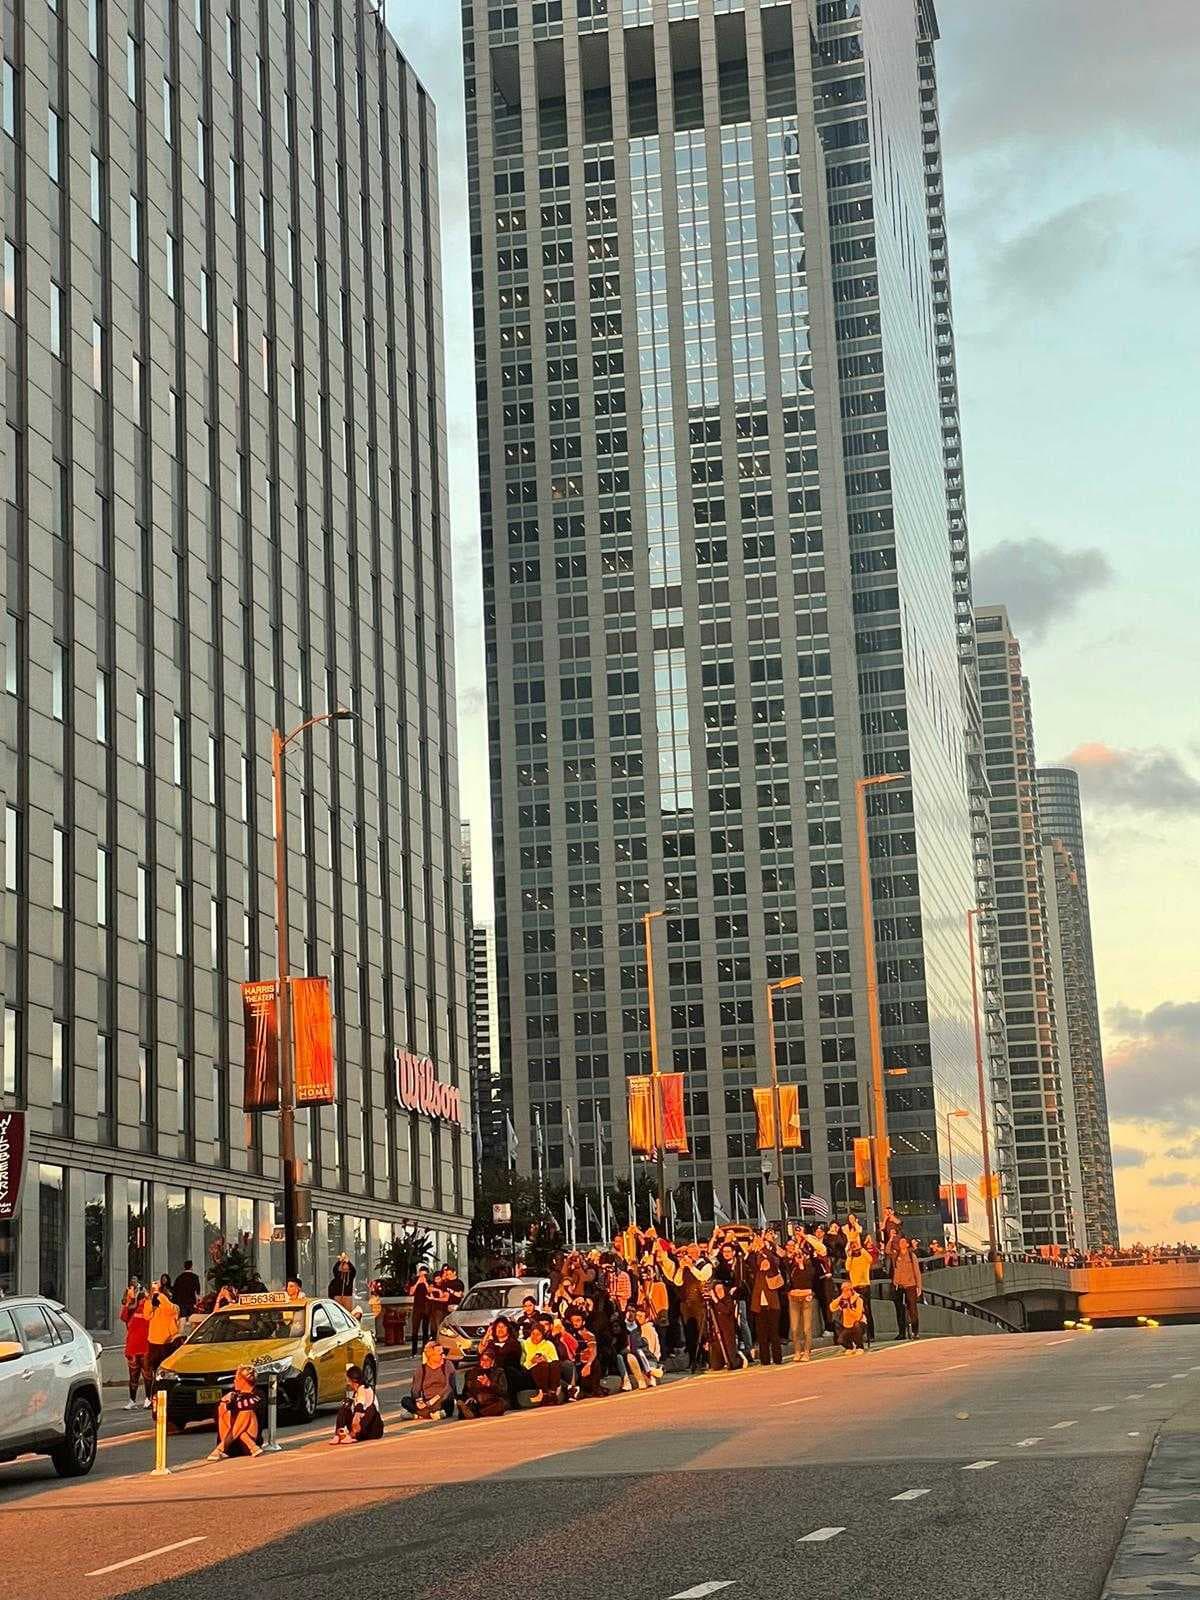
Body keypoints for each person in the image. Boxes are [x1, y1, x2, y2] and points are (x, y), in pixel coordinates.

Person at [208, 1366, 264, 1459]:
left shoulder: (258, 1395)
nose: (234, 1381)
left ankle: (220, 1448)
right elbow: (217, 1418)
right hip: (231, 1446)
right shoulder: (232, 1395)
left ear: (243, 1381)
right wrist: (224, 1401)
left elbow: (250, 1406)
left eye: (236, 1378)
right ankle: (252, 1446)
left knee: (247, 1412)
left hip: (248, 1442)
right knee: (224, 1411)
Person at [401, 1342, 457, 1421]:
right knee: (405, 1400)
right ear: (431, 1355)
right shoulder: (421, 1369)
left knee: (448, 1399)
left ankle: (418, 1414)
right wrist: (419, 1401)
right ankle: (431, 1414)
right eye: (440, 1353)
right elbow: (415, 1389)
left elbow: (449, 1387)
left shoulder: (447, 1365)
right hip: (426, 1401)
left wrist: (432, 1401)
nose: (443, 1356)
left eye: (443, 1353)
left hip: (441, 1400)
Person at [145, 1280, 181, 1394]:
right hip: (159, 1341)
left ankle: (161, 1392)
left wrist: (157, 1297)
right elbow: (147, 1315)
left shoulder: (168, 1304)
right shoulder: (153, 1302)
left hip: (164, 1341)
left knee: (162, 1370)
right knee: (158, 1370)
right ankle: (156, 1393)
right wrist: (151, 1299)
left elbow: (172, 1311)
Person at [332, 1363, 383, 1443]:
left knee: (371, 1409)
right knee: (345, 1405)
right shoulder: (356, 1391)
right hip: (360, 1427)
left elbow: (360, 1404)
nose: (348, 1383)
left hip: (372, 1429)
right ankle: (338, 1434)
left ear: (352, 1380)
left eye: (348, 1380)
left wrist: (357, 1416)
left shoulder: (364, 1389)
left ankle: (353, 1435)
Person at [120, 1282, 152, 1410]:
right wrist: (129, 1301)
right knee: (133, 1376)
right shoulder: (131, 1310)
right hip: (133, 1347)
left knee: (147, 1375)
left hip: (145, 1347)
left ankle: (148, 1398)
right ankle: (132, 1400)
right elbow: (123, 1317)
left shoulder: (148, 1308)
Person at [750, 1251, 785, 1365]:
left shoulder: (773, 1272)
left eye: (766, 1263)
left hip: (773, 1307)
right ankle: (764, 1360)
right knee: (762, 1335)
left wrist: (765, 1250)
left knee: (774, 1333)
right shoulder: (757, 1273)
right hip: (759, 1307)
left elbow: (774, 1261)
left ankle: (777, 1358)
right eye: (762, 1263)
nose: (764, 1264)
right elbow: (751, 1260)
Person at [785, 1239, 816, 1363]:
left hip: (806, 1296)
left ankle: (807, 1351)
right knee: (794, 1327)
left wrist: (802, 1264)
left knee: (807, 1328)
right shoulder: (791, 1266)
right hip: (793, 1296)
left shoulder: (809, 1265)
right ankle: (797, 1351)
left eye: (801, 1255)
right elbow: (788, 1274)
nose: (799, 1257)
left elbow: (809, 1279)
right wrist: (794, 1260)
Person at [458, 1347, 509, 1419]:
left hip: (491, 1401)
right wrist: (470, 1396)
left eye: (487, 1360)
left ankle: (474, 1414)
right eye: (482, 1360)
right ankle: (468, 1411)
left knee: (500, 1404)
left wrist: (489, 1384)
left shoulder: (499, 1372)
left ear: (492, 1362)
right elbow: (466, 1390)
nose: (483, 1362)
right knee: (468, 1404)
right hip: (476, 1401)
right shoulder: (471, 1372)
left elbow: (503, 1391)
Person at [521, 1317, 562, 1405]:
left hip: (548, 1371)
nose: (535, 1337)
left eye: (538, 1334)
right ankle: (545, 1393)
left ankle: (552, 1393)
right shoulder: (525, 1344)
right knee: (542, 1366)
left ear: (542, 1335)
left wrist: (546, 1359)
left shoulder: (548, 1344)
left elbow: (555, 1360)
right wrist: (532, 1361)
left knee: (553, 1364)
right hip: (531, 1371)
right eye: (533, 1334)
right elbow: (523, 1364)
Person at [891, 1235, 923, 1340]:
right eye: (900, 1242)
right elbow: (887, 1250)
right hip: (898, 1285)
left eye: (904, 1242)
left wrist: (919, 1286)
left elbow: (917, 1271)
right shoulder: (896, 1255)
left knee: (912, 1308)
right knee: (899, 1310)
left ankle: (915, 1332)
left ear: (907, 1244)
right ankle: (901, 1332)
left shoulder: (911, 1255)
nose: (902, 1244)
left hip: (910, 1284)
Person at [845, 1240, 875, 1347]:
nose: (855, 1249)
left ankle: (871, 1334)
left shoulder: (864, 1257)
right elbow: (847, 1267)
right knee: (855, 1312)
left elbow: (870, 1259)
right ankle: (858, 1334)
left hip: (864, 1286)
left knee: (867, 1310)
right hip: (855, 1287)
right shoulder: (852, 1259)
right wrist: (850, 1255)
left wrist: (861, 1248)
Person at [831, 1280, 867, 1355]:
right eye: (843, 1290)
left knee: (857, 1325)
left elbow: (858, 1316)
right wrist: (841, 1297)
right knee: (840, 1340)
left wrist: (848, 1308)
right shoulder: (842, 1299)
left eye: (847, 1290)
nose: (845, 1292)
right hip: (847, 1325)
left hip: (859, 1324)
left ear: (852, 1290)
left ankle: (860, 1347)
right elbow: (832, 1307)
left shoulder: (858, 1299)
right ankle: (849, 1347)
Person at [408, 1267, 432, 1355]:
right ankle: (413, 1351)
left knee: (425, 1329)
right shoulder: (415, 1280)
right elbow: (411, 1292)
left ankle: (424, 1350)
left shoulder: (429, 1281)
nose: (422, 1276)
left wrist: (425, 1282)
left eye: (424, 1274)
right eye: (421, 1274)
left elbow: (430, 1291)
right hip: (417, 1307)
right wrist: (418, 1282)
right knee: (415, 1329)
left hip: (426, 1307)